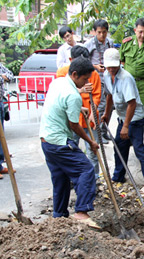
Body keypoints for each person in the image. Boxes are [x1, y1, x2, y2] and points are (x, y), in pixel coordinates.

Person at [39, 57, 100, 229]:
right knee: (86, 170)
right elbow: (74, 125)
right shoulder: (73, 96)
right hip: (59, 142)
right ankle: (81, 211)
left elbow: (58, 103)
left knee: (60, 178)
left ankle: (59, 216)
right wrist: (90, 142)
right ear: (74, 74)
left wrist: (78, 108)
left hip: (46, 140)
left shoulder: (58, 83)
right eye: (85, 78)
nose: (87, 82)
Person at [101, 48, 144, 197]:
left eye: (114, 66)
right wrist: (107, 114)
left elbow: (132, 103)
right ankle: (118, 176)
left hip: (134, 118)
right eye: (109, 66)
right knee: (119, 145)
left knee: (138, 148)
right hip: (121, 116)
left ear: (120, 63)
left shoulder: (126, 78)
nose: (111, 69)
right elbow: (109, 95)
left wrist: (126, 126)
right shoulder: (107, 75)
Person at [56, 45, 102, 180]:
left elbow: (97, 95)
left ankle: (94, 178)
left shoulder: (91, 73)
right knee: (70, 149)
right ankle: (73, 178)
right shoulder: (62, 74)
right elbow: (62, 95)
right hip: (72, 120)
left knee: (93, 151)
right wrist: (80, 91)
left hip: (90, 118)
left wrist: (94, 111)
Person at [119, 19, 144, 153]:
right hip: (129, 82)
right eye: (140, 32)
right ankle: (130, 138)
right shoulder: (126, 44)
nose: (143, 35)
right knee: (129, 110)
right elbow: (122, 62)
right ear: (135, 30)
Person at [85, 19, 114, 144]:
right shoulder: (89, 44)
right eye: (99, 32)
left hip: (108, 77)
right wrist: (95, 66)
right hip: (97, 79)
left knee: (110, 106)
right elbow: (84, 63)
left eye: (104, 32)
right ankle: (98, 133)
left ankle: (104, 130)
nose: (102, 35)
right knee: (100, 106)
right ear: (94, 32)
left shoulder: (110, 43)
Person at [0, 63, 14, 180]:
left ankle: (0, 165)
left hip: (0, 101)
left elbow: (10, 76)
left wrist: (4, 76)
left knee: (1, 135)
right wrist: (1, 77)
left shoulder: (0, 65)